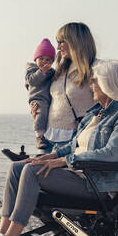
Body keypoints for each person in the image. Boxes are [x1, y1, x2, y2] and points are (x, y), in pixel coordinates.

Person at [0, 59, 118, 236]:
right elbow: (74, 144)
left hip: (96, 185)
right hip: (79, 176)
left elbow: (111, 153)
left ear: (109, 84)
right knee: (20, 166)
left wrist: (64, 161)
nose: (91, 84)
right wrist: (50, 156)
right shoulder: (96, 112)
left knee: (34, 172)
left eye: (94, 80)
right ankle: (2, 235)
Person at [31, 23, 97, 153]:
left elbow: (106, 105)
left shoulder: (94, 70)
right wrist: (37, 111)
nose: (57, 47)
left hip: (74, 138)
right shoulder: (59, 71)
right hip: (49, 136)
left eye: (61, 42)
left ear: (75, 41)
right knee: (34, 171)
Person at [26, 38, 56, 148]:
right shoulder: (32, 68)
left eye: (48, 59)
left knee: (47, 115)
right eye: (41, 58)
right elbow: (32, 81)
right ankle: (39, 136)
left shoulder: (51, 72)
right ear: (36, 59)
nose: (44, 62)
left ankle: (46, 137)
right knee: (41, 112)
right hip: (37, 98)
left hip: (49, 98)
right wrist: (42, 72)